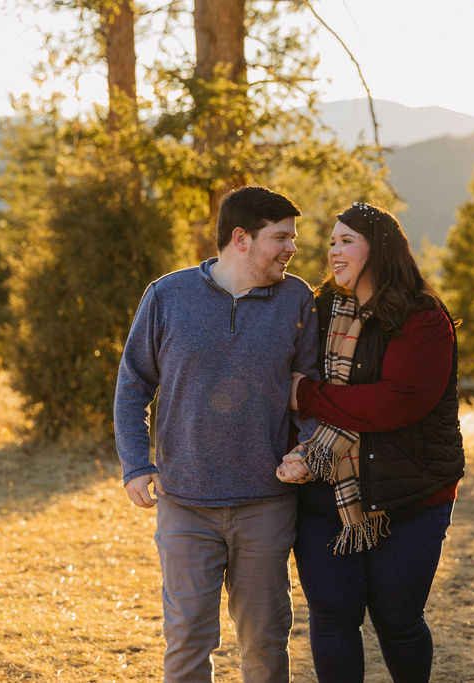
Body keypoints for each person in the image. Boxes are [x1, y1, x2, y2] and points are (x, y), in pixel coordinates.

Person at [114, 185, 319, 683]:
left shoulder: (297, 299)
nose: (292, 248)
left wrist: (308, 450)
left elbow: (313, 391)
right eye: (281, 237)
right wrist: (137, 465)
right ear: (241, 238)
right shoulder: (168, 295)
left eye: (293, 237)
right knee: (187, 642)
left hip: (266, 504)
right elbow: (132, 385)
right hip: (185, 503)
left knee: (266, 643)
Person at [276, 201, 465, 683]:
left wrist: (309, 396)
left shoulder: (422, 319)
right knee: (334, 617)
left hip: (409, 496)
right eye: (332, 241)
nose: (333, 251)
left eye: (347, 241)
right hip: (326, 492)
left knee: (396, 619)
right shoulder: (319, 309)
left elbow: (395, 404)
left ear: (378, 249)